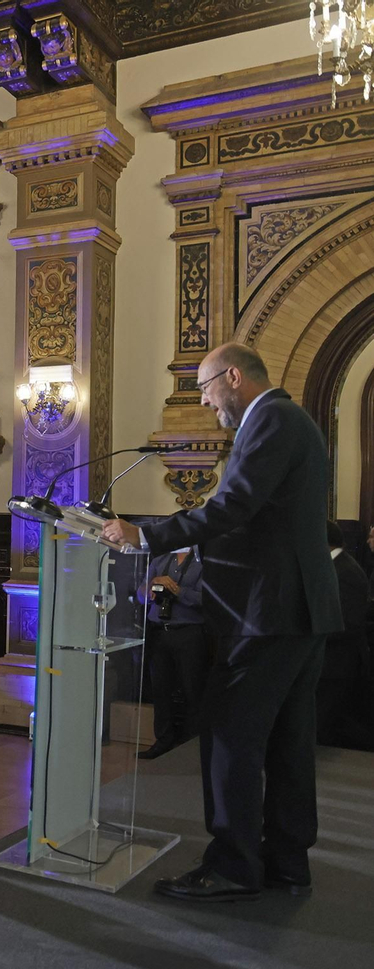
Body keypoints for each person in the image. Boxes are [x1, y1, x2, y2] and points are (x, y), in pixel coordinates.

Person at [102, 344, 339, 902]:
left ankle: (233, 865)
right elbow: (256, 517)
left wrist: (146, 534)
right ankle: (285, 861)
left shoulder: (272, 419)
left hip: (269, 612)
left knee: (230, 735)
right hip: (291, 611)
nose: (207, 403)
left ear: (234, 377)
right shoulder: (287, 421)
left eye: (207, 388)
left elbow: (234, 506)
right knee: (287, 741)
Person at [140, 548, 208, 760]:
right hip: (159, 633)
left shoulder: (203, 560)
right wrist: (151, 586)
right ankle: (163, 741)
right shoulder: (160, 559)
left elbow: (208, 599)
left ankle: (193, 745)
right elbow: (141, 596)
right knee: (160, 690)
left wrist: (177, 590)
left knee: (193, 690)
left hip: (189, 633)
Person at [322, 522, 373, 750]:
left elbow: (347, 623)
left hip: (340, 662)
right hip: (329, 661)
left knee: (330, 724)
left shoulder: (346, 571)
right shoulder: (333, 566)